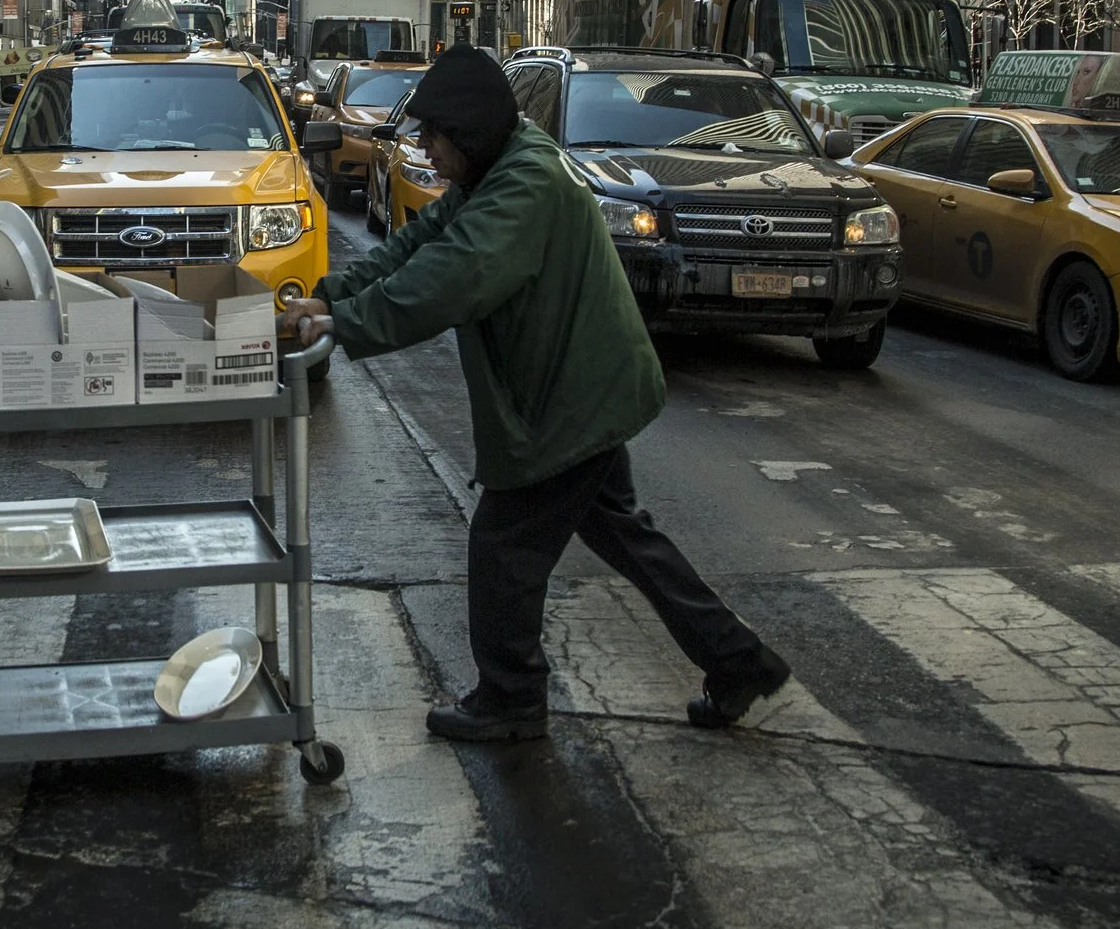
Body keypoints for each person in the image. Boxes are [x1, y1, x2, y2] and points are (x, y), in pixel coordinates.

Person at [280, 46, 790, 742]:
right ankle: (738, 659)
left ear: (469, 129)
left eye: (432, 134)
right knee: (624, 536)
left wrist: (343, 323)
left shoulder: (526, 185)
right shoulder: (495, 172)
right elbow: (421, 243)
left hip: (570, 399)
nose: (424, 149)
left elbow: (455, 277)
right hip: (583, 389)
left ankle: (512, 696)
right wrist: (328, 298)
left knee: (503, 548)